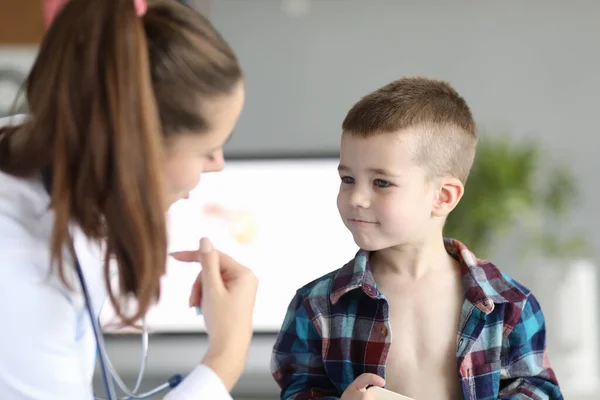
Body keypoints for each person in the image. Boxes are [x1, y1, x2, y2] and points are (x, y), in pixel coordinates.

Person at [0, 0, 258, 398]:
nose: (217, 164)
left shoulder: (47, 152)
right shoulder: (19, 271)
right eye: (208, 148)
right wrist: (225, 358)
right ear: (136, 150)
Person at [270, 77, 563, 400]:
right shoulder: (317, 305)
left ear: (443, 196)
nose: (356, 198)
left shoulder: (509, 304)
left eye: (381, 182)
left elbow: (537, 391)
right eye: (348, 178)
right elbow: (298, 391)